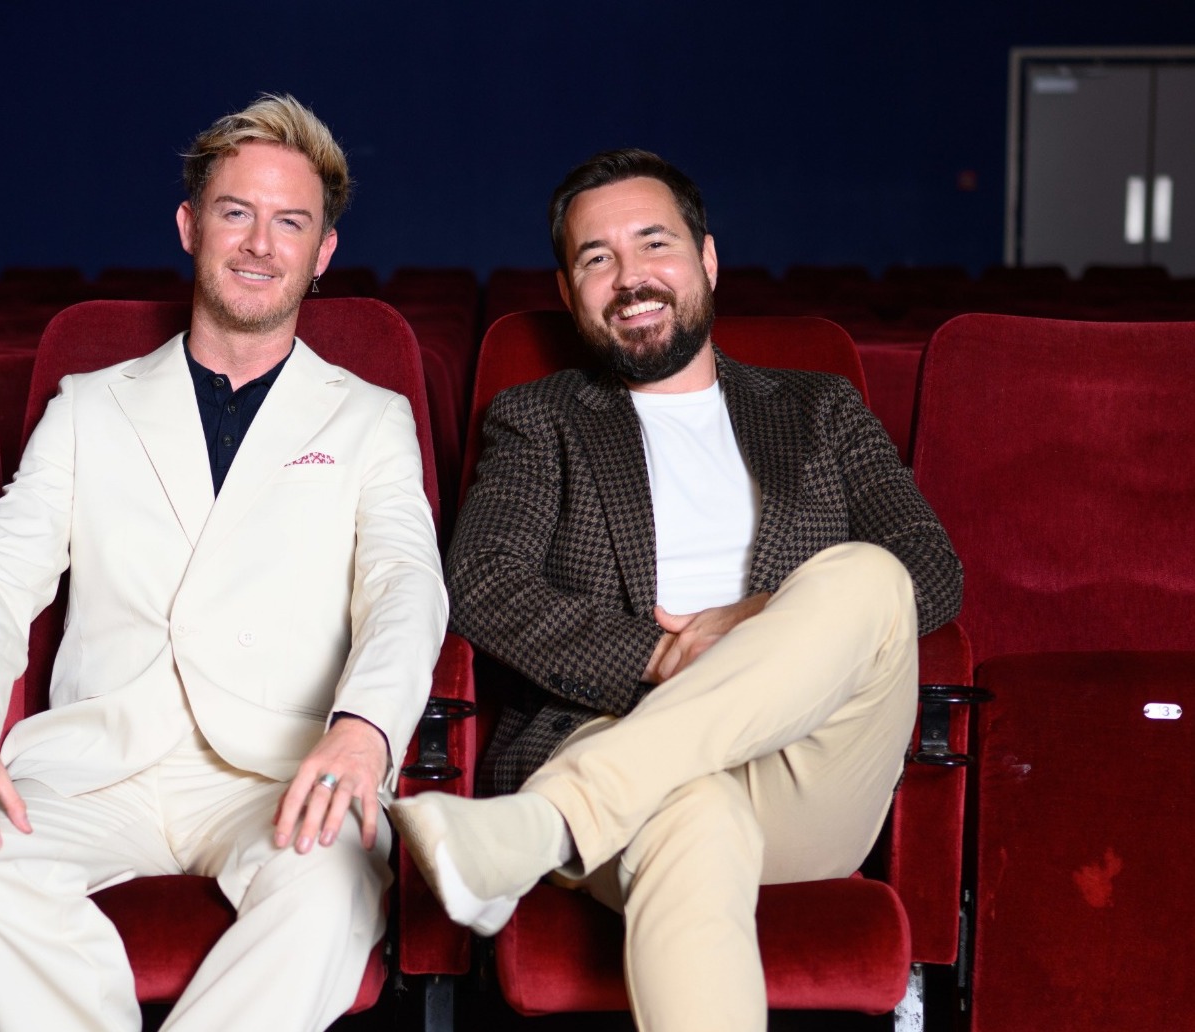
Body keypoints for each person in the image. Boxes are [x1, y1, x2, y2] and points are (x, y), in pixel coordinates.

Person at [0, 94, 447, 1032]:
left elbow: (407, 589)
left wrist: (365, 729)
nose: (260, 244)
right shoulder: (90, 405)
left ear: (323, 252)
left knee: (331, 895)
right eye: (237, 213)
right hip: (97, 764)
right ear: (192, 227)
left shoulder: (370, 417)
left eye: (291, 222)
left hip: (281, 768)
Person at [390, 148, 962, 1032]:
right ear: (569, 290)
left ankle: (546, 824)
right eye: (598, 258)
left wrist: (764, 619)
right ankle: (570, 811)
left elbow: (931, 564)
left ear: (707, 258)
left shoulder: (821, 409)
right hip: (617, 735)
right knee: (695, 813)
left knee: (871, 575)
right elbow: (481, 582)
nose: (630, 278)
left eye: (653, 243)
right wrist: (661, 655)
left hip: (810, 771)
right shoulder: (541, 419)